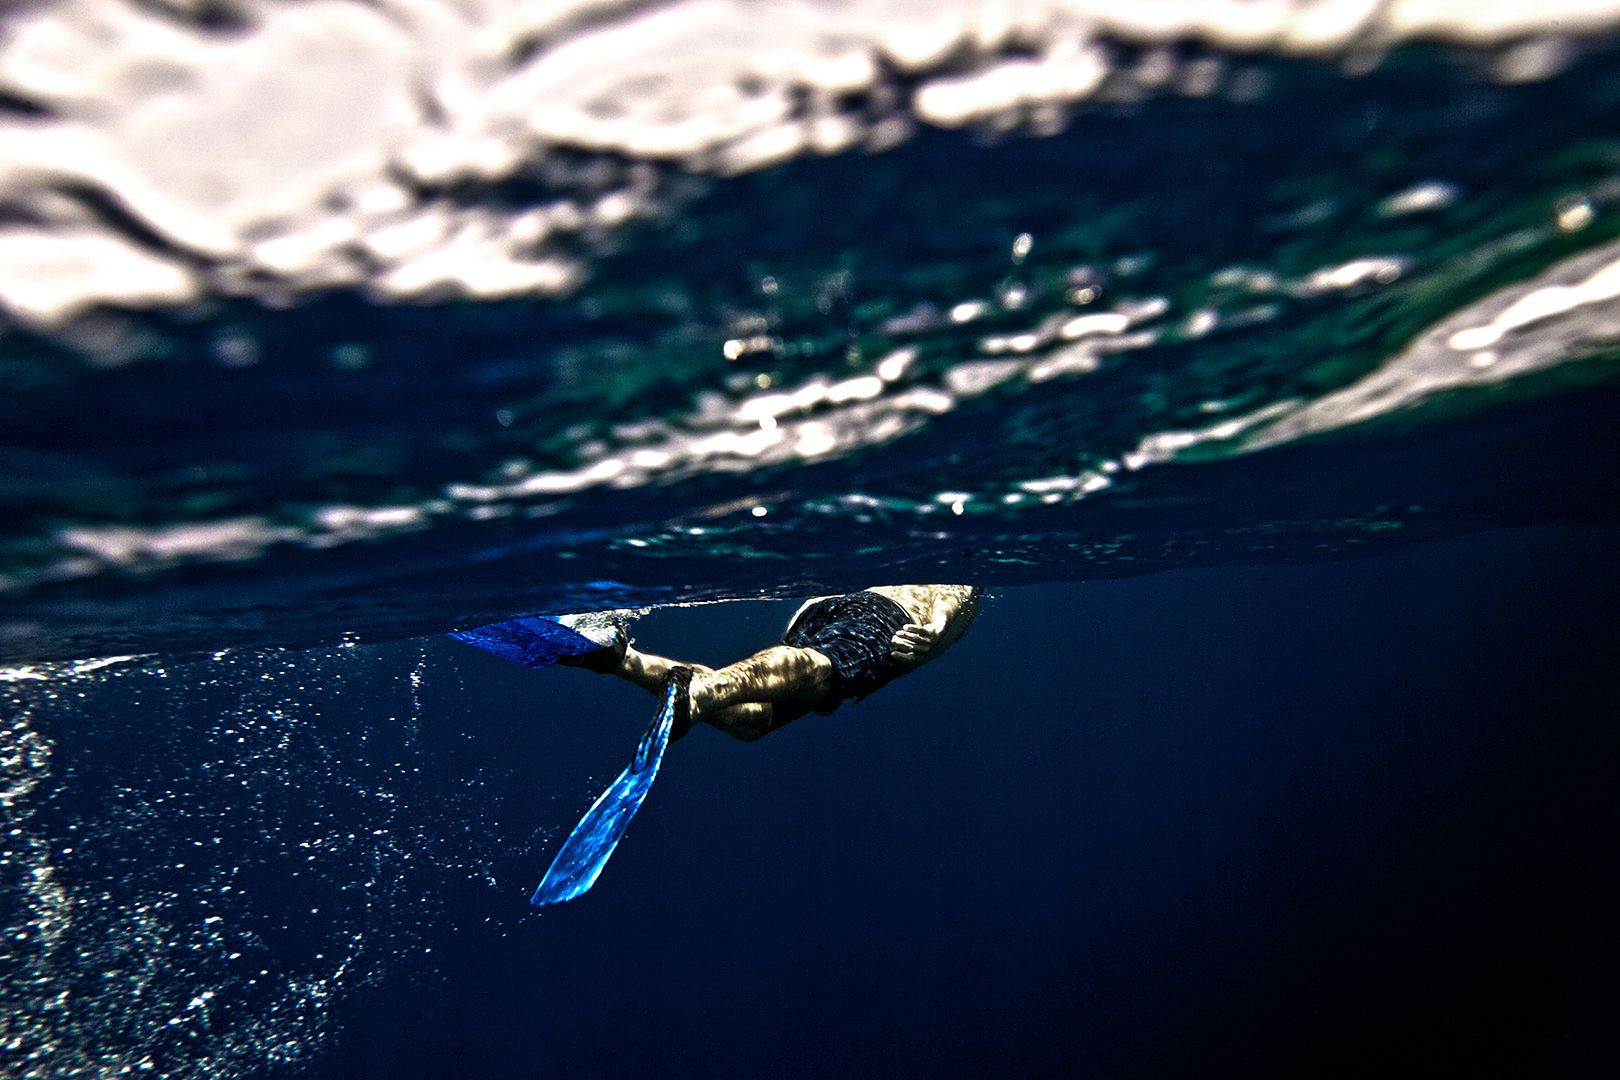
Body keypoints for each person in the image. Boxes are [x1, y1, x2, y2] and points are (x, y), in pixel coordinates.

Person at [562, 585, 982, 741]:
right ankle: (702, 691)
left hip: (817, 607)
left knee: (754, 721)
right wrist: (936, 629)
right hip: (889, 613)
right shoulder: (972, 566)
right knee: (817, 669)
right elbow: (953, 593)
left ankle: (618, 658)